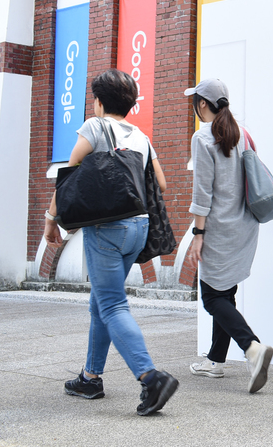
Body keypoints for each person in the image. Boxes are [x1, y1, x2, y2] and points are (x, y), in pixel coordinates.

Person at [43, 69, 179, 416]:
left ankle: (150, 378)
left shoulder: (94, 126)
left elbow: (69, 176)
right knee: (101, 302)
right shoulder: (141, 136)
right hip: (138, 227)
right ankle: (90, 377)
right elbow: (161, 184)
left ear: (100, 102)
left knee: (113, 305)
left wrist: (50, 220)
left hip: (107, 229)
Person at [184, 78, 273, 393]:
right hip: (245, 226)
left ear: (203, 104)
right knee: (225, 292)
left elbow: (202, 193)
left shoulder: (203, 137)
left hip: (219, 228)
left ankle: (252, 348)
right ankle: (215, 361)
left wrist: (198, 233)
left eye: (195, 102)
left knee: (212, 297)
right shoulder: (241, 134)